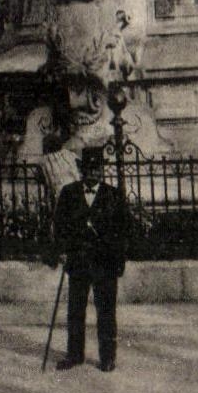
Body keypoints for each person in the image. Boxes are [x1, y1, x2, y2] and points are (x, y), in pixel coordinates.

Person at [52, 147, 129, 373]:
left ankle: (107, 358)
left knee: (106, 311)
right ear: (81, 170)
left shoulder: (114, 195)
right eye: (88, 169)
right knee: (76, 310)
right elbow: (60, 225)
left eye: (97, 169)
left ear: (102, 171)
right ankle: (75, 355)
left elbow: (123, 229)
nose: (93, 173)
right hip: (78, 261)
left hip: (105, 263)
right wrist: (63, 250)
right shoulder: (69, 193)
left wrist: (119, 260)